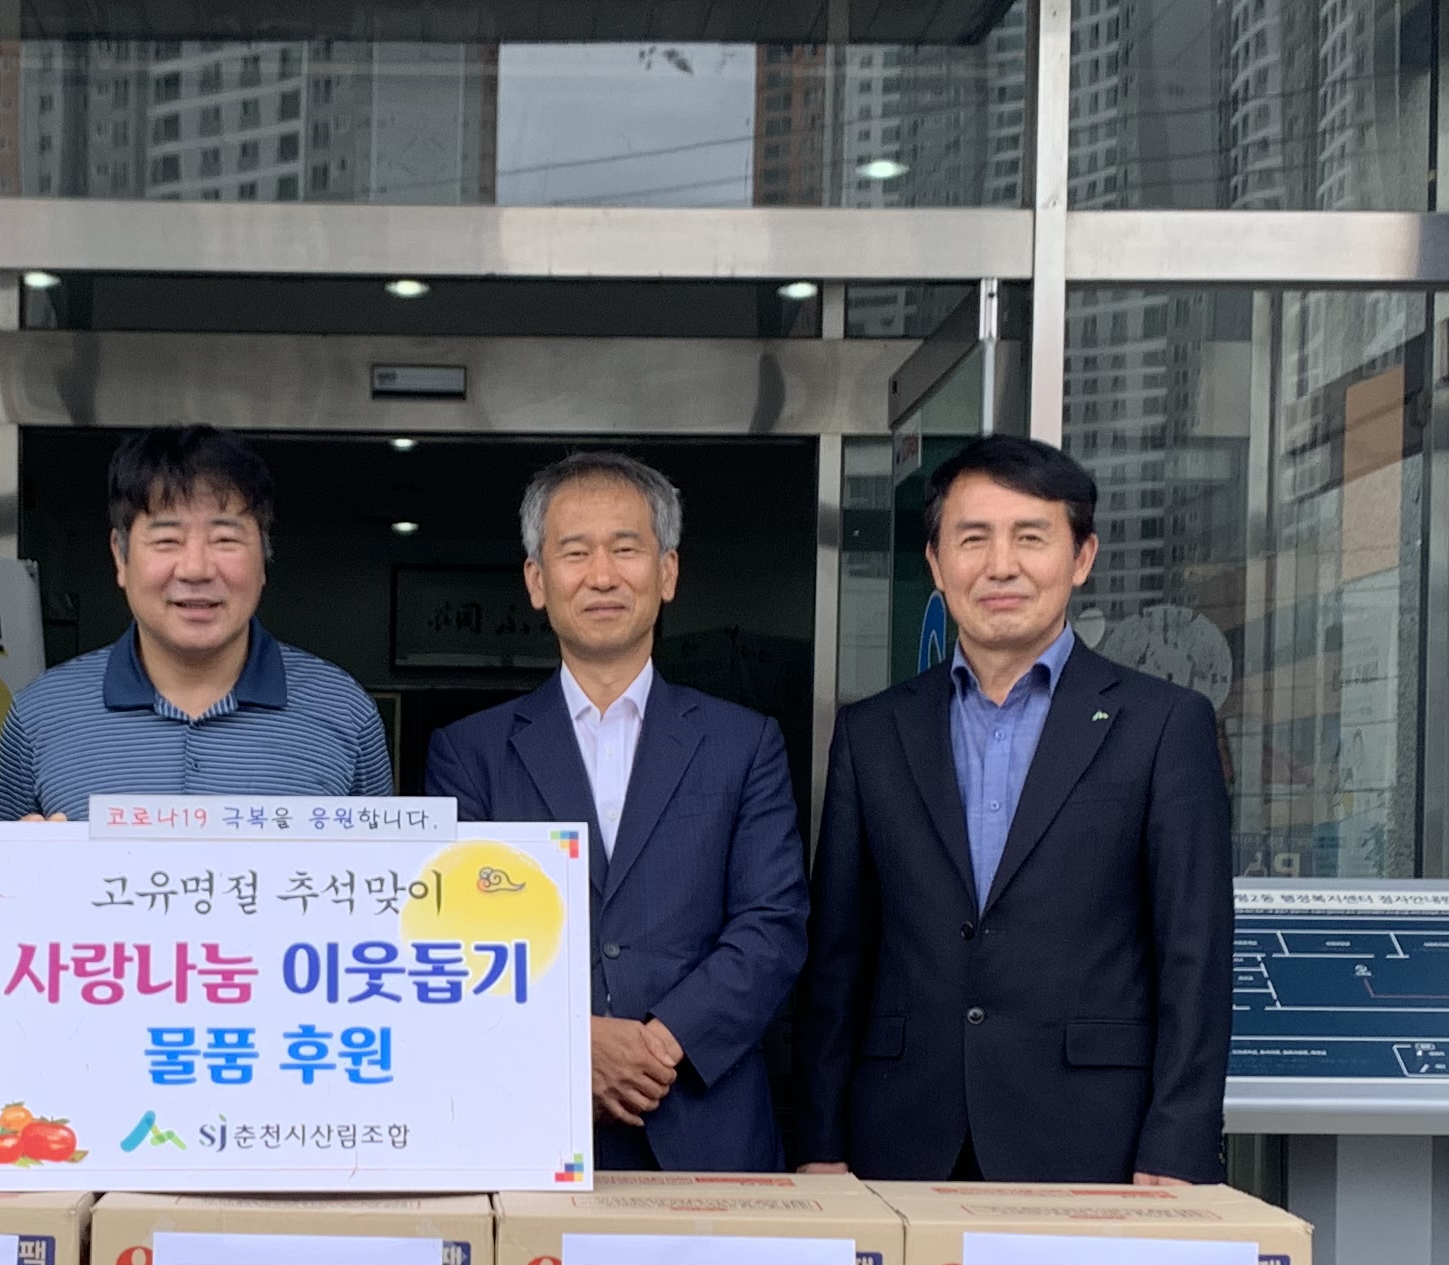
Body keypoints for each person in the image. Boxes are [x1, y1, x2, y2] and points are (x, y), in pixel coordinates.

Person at [801, 435, 1231, 1183]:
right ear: (936, 564)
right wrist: (819, 1140)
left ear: (1082, 557)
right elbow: (838, 958)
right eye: (973, 539)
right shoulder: (874, 733)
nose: (1000, 566)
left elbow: (1195, 955)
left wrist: (1178, 1146)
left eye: (1030, 537)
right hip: (900, 1136)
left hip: (1096, 1139)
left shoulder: (1164, 724)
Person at [424, 454, 806, 1171]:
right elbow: (458, 944)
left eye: (626, 549)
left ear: (667, 572)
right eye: (575, 552)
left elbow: (772, 924)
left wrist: (656, 1045)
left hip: (704, 1122)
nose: (602, 576)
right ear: (537, 581)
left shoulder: (744, 742)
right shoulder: (469, 753)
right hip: (526, 1125)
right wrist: (573, 1047)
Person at [0, 427, 393, 814]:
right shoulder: (39, 716)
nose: (196, 569)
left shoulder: (345, 713)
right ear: (120, 557)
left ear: (264, 556)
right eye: (167, 540)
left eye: (225, 540)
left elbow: (383, 860)